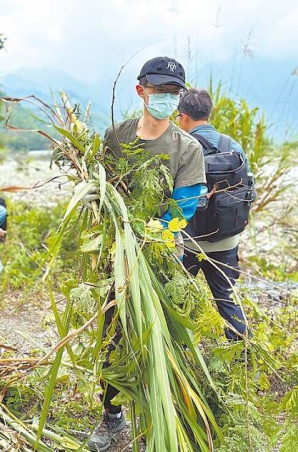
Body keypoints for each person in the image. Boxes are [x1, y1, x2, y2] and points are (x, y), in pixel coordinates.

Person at [80, 56, 207, 452]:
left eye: (174, 92)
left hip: (163, 257)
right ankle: (112, 418)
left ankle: (170, 416)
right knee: (114, 336)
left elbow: (183, 210)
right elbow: (104, 190)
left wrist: (152, 231)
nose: (166, 97)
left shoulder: (187, 148)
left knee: (166, 337)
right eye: (159, 90)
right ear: (141, 91)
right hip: (116, 256)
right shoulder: (115, 137)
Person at [176, 88, 252, 342]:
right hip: (226, 240)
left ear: (183, 117)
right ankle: (242, 356)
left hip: (188, 241)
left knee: (178, 300)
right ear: (208, 113)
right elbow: (247, 189)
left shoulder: (182, 147)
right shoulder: (233, 146)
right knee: (226, 299)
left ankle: (181, 357)